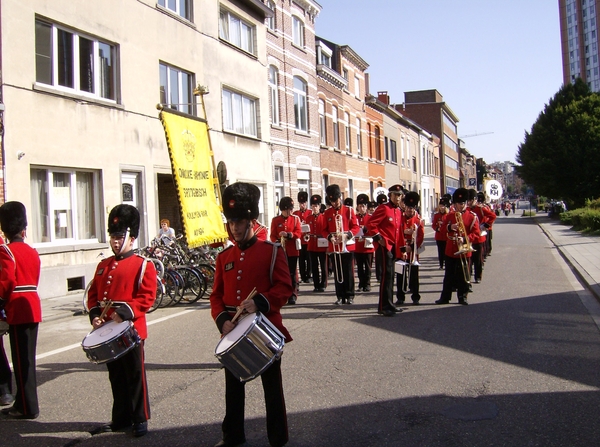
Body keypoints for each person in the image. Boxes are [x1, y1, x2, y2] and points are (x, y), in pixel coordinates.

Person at [210, 182, 292, 447]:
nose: (234, 228)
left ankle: (278, 439)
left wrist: (260, 302)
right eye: (231, 222)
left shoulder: (271, 252)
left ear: (251, 221)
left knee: (272, 390)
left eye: (239, 222)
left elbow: (284, 289)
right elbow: (216, 296)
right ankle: (232, 436)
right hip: (234, 332)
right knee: (233, 389)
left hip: (264, 329)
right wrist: (222, 320)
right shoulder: (224, 257)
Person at [87, 204, 157, 437]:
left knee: (135, 376)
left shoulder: (143, 265)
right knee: (116, 376)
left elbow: (147, 297)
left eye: (120, 237)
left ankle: (140, 418)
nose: (115, 242)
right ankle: (120, 418)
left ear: (131, 237)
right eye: (113, 237)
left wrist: (126, 312)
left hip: (131, 330)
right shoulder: (103, 266)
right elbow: (94, 296)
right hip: (108, 331)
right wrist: (95, 315)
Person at [0, 201, 41, 419]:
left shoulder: (6, 251)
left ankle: (26, 407)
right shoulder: (32, 251)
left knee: (20, 360)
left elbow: (6, 281)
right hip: (33, 306)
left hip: (17, 307)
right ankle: (24, 403)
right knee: (28, 360)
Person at [435, 188, 480, 306]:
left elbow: (476, 233)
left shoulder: (472, 216)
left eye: (463, 203)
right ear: (455, 204)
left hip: (464, 248)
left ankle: (463, 296)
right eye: (459, 204)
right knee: (448, 274)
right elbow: (442, 230)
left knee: (463, 274)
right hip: (451, 248)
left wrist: (465, 239)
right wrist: (450, 227)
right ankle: (445, 297)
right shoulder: (449, 216)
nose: (461, 206)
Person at [367, 185, 406, 316]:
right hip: (385, 246)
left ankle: (390, 303)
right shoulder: (384, 208)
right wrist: (379, 238)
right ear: (390, 195)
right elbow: (371, 224)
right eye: (395, 195)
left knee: (391, 276)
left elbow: (399, 232)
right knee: (386, 276)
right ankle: (383, 306)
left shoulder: (399, 211)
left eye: (399, 195)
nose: (398, 197)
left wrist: (402, 249)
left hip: (394, 246)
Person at [321, 185, 360, 305]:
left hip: (347, 245)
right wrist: (330, 237)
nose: (334, 203)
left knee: (348, 272)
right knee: (338, 272)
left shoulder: (348, 210)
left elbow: (356, 227)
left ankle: (349, 295)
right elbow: (324, 230)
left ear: (340, 198)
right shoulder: (327, 212)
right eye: (332, 201)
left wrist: (346, 235)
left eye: (336, 200)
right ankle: (340, 296)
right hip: (334, 246)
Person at [270, 197, 302, 305]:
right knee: (283, 273)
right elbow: (272, 236)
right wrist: (278, 240)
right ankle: (285, 293)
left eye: (291, 209)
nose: (290, 211)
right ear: (283, 209)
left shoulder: (295, 219)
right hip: (281, 251)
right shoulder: (275, 220)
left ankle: (293, 294)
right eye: (288, 209)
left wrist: (289, 234)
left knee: (292, 273)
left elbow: (298, 233)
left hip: (292, 250)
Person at [396, 192, 424, 305]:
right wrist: (403, 233)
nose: (409, 210)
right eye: (408, 208)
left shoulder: (419, 220)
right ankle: (400, 297)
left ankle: (415, 297)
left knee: (414, 276)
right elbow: (396, 234)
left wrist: (411, 247)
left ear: (415, 208)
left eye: (412, 208)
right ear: (404, 207)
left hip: (413, 252)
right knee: (399, 274)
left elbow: (421, 237)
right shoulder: (399, 218)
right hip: (400, 250)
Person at [469, 191, 497, 281]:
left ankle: (478, 276)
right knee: (469, 260)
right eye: (468, 200)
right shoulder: (466, 210)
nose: (469, 202)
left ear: (475, 200)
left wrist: (485, 225)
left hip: (479, 237)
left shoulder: (480, 209)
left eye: (471, 200)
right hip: (469, 237)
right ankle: (467, 279)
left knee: (478, 259)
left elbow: (493, 216)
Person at [306, 194, 327, 293]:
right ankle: (316, 285)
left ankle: (323, 284)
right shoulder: (308, 218)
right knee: (314, 266)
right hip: (312, 245)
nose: (314, 208)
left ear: (319, 206)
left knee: (323, 266)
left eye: (316, 206)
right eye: (313, 206)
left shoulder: (323, 217)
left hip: (322, 244)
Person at [354, 194, 375, 292]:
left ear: (366, 207)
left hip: (367, 246)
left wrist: (365, 229)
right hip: (358, 245)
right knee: (359, 267)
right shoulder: (355, 217)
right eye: (360, 206)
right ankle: (361, 283)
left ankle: (367, 283)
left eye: (363, 206)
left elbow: (374, 229)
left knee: (367, 266)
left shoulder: (371, 217)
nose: (361, 208)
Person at [293, 191, 312, 284]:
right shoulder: (295, 213)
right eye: (301, 203)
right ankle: (303, 276)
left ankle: (308, 275)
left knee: (308, 259)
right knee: (301, 259)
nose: (302, 205)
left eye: (304, 203)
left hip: (308, 240)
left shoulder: (310, 212)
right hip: (300, 240)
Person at [432, 197, 450, 269]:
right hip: (439, 236)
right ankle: (441, 264)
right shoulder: (436, 215)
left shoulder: (448, 215)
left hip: (446, 236)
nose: (441, 208)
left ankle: (446, 263)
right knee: (440, 251)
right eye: (440, 206)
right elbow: (433, 225)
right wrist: (437, 228)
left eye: (443, 206)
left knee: (446, 251)